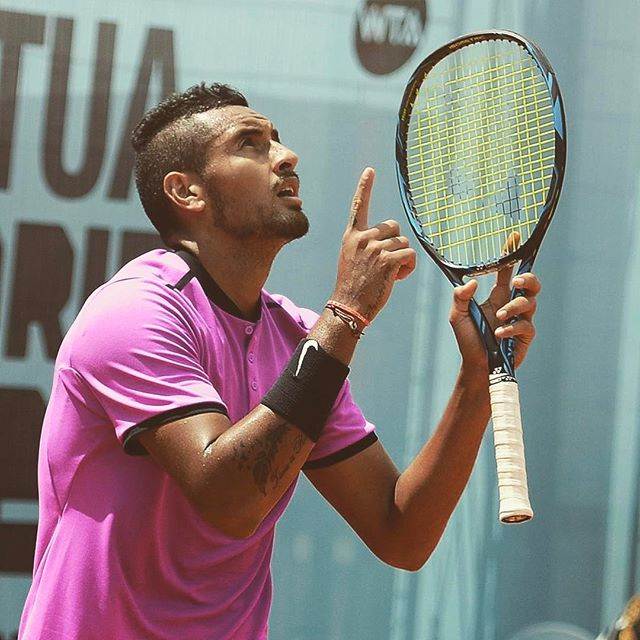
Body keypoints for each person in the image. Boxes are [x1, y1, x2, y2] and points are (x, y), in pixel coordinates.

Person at [19, 83, 541, 639]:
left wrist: (475, 381)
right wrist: (347, 313)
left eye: (277, 139)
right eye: (250, 143)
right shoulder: (133, 312)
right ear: (187, 191)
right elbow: (230, 499)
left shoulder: (298, 338)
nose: (286, 156)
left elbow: (402, 533)